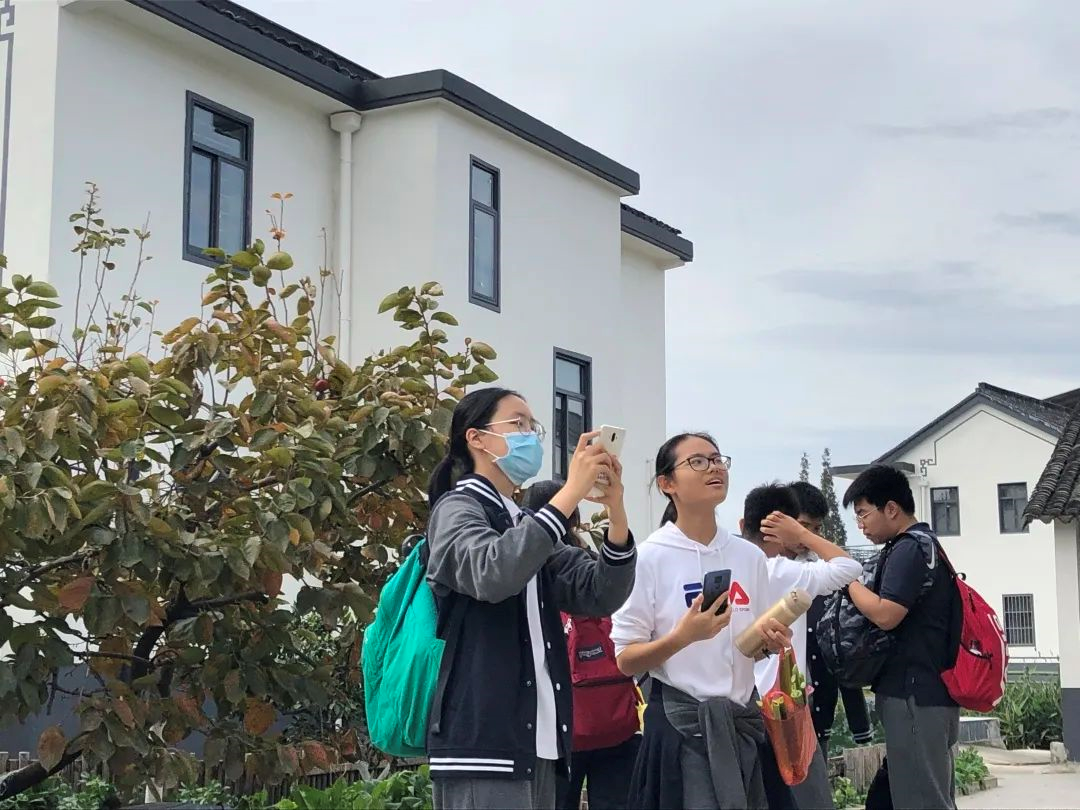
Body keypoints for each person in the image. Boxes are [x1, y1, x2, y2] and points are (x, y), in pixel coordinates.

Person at [424, 388, 638, 810]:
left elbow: (599, 592)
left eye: (532, 427)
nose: (530, 435)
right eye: (517, 424)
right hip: (484, 743)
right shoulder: (457, 509)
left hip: (539, 742)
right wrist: (569, 494)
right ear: (476, 438)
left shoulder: (524, 520)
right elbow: (493, 573)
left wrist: (616, 511)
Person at [611, 432, 791, 810]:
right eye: (697, 461)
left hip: (743, 725)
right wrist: (683, 636)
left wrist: (768, 643)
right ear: (667, 484)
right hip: (683, 730)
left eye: (718, 459)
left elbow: (750, 647)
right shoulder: (649, 558)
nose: (714, 468)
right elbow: (625, 659)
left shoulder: (748, 557)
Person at [842, 465, 959, 810]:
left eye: (863, 513)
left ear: (891, 508)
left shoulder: (909, 548)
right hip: (929, 692)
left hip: (913, 693)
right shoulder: (926, 544)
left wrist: (849, 582)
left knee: (921, 798)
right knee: (927, 793)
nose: (860, 524)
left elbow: (886, 614)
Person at [741, 483, 863, 810]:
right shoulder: (787, 572)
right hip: (783, 703)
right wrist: (803, 535)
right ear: (783, 528)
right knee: (804, 793)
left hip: (736, 701)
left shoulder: (727, 567)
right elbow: (850, 568)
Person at [522, 480, 642, 810]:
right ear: (574, 516)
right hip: (615, 722)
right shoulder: (593, 567)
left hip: (557, 727)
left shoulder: (526, 567)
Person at [789, 481, 874, 750]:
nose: (807, 536)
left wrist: (859, 722)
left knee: (817, 768)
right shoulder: (762, 567)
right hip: (775, 701)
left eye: (815, 529)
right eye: (802, 527)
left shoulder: (825, 572)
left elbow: (841, 642)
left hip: (817, 703)